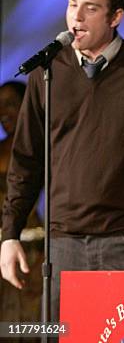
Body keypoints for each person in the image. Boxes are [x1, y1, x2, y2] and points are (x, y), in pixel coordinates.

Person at [0, 0, 124, 321]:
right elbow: (26, 160)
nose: (77, 17)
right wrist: (10, 236)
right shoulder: (47, 72)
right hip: (63, 245)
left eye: (91, 8)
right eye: (72, 5)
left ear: (116, 17)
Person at [0, 81, 44, 327]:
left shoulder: (42, 150)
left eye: (11, 104)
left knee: (31, 317)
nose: (3, 112)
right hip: (3, 245)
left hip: (33, 246)